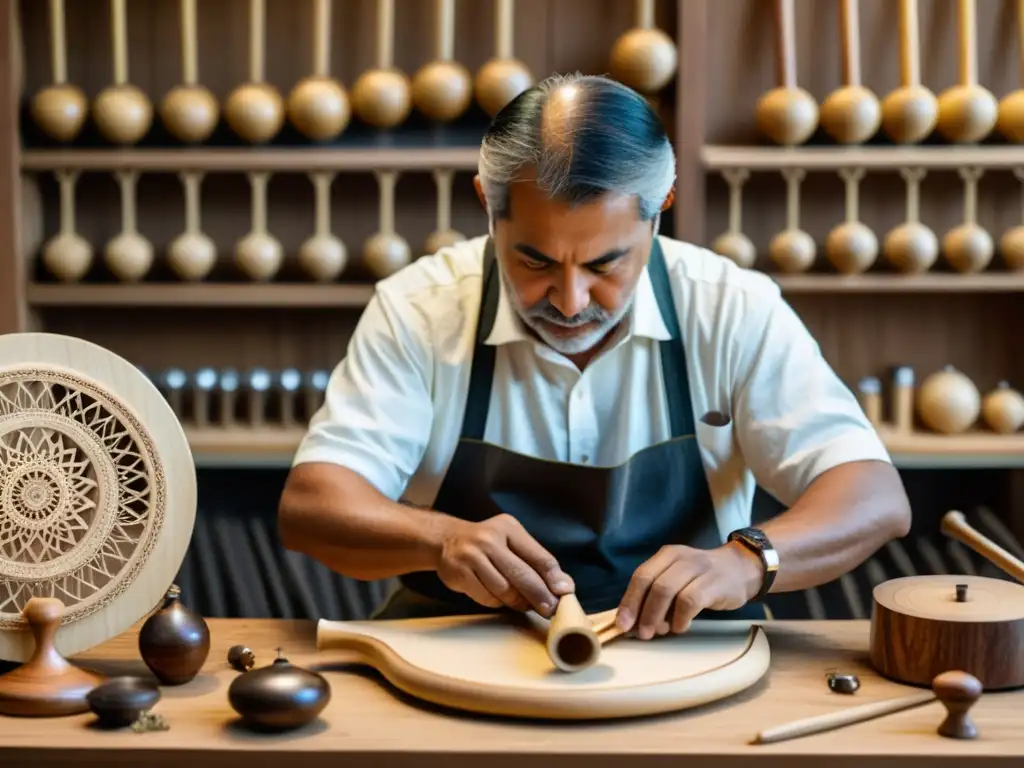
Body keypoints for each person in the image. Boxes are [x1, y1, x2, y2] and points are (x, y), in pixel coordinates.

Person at [278, 73, 912, 639]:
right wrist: (439, 538)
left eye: (606, 263)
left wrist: (747, 560)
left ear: (661, 208)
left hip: (688, 652)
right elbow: (312, 508)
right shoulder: (419, 308)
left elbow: (874, 497)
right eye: (534, 260)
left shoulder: (732, 308)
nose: (571, 299)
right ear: (486, 204)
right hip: (457, 645)